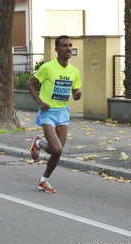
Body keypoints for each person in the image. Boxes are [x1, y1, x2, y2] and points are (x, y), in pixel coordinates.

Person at [27, 35, 82, 193]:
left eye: (70, 45)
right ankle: (39, 144)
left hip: (63, 112)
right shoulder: (47, 68)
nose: (68, 48)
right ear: (57, 49)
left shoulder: (74, 71)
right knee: (57, 149)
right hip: (48, 112)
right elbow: (30, 83)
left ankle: (43, 180)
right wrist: (38, 102)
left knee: (56, 151)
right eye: (64, 46)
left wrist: (76, 94)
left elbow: (74, 91)